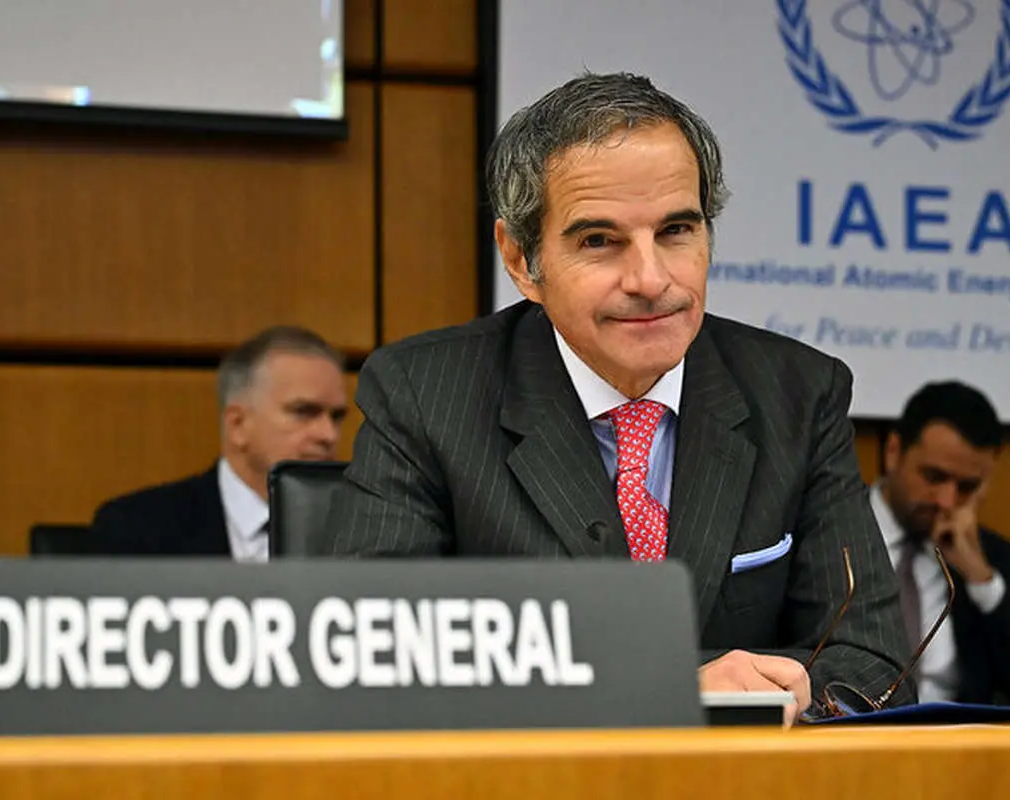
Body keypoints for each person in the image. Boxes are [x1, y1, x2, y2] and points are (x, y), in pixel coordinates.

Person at [323, 71, 913, 721]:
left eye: (676, 231)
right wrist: (666, 688)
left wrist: (791, 692)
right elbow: (375, 656)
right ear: (520, 260)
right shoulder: (426, 394)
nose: (650, 279)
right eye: (599, 241)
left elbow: (873, 663)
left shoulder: (799, 393)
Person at [872, 380, 1010, 706]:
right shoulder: (825, 530)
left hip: (953, 735)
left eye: (966, 487)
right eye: (934, 476)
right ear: (893, 451)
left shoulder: (993, 557)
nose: (946, 500)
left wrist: (981, 580)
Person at [91, 326, 349, 560]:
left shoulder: (360, 534)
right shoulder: (136, 529)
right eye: (304, 412)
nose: (328, 434)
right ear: (238, 424)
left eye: (336, 417)